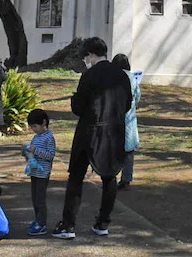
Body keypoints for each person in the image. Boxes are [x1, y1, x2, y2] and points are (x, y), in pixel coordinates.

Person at [52, 37, 132, 240]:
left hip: (90, 131)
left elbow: (79, 107)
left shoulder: (89, 76)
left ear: (89, 55)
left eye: (84, 57)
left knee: (76, 177)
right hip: (114, 132)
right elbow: (128, 104)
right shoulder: (122, 76)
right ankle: (103, 223)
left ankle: (68, 225)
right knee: (110, 176)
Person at [23, 108, 56, 236]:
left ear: (43, 123)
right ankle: (37, 220)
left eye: (35, 126)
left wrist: (35, 150)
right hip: (34, 172)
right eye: (32, 127)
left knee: (40, 200)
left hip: (43, 174)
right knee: (34, 198)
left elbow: (50, 155)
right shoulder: (36, 137)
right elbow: (31, 154)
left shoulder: (49, 138)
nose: (33, 129)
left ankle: (41, 224)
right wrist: (26, 152)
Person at [111, 54, 140, 190]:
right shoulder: (133, 78)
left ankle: (111, 176)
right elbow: (137, 96)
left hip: (114, 117)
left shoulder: (113, 77)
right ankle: (126, 178)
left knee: (113, 148)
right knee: (128, 151)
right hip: (130, 118)